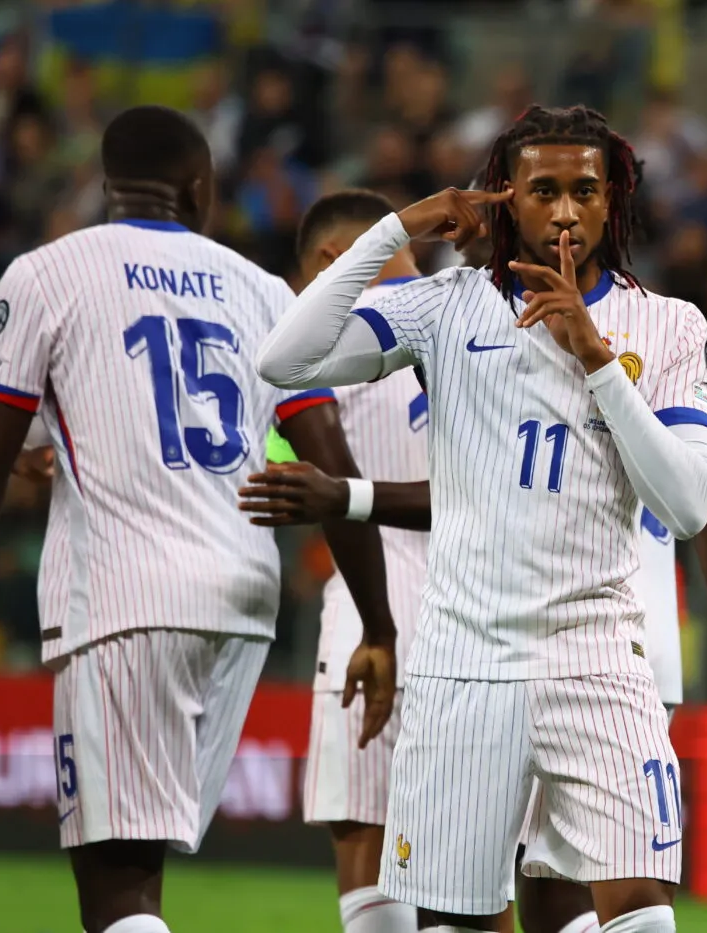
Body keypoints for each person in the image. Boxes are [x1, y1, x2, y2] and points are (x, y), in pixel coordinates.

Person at [257, 104, 707, 933]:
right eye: (543, 190)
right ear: (509, 199)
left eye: (585, 189)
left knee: (642, 916)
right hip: (464, 667)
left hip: (601, 662)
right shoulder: (443, 306)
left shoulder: (668, 325)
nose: (566, 210)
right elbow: (282, 357)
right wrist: (400, 224)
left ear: (613, 200)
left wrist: (598, 362)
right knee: (458, 921)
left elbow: (689, 502)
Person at [0, 106, 398, 933]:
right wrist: (380, 624)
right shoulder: (263, 291)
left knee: (116, 888)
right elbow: (335, 470)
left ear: (108, 186)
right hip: (241, 603)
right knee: (140, 870)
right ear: (201, 188)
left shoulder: (46, 274)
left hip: (120, 597)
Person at [289, 189, 433, 933]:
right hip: (482, 602)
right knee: (473, 861)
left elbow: (303, 460)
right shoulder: (475, 307)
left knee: (364, 834)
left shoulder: (331, 330)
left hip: (371, 588)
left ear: (330, 261)